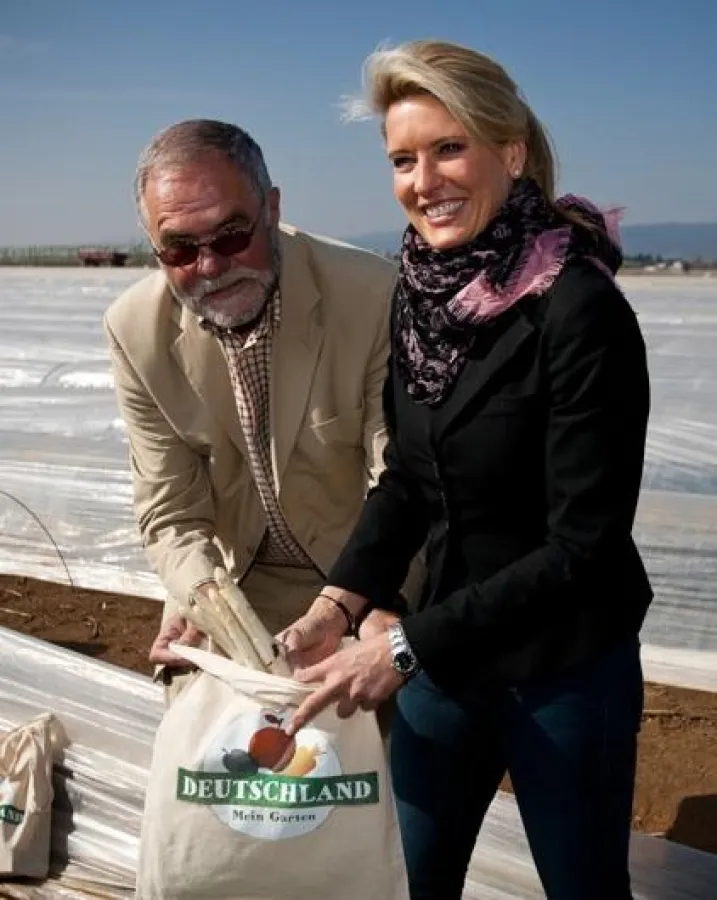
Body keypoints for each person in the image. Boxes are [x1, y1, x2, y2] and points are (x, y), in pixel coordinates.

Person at [278, 41, 652, 900]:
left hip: (563, 667)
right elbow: (409, 479)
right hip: (448, 656)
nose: (423, 181)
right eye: (402, 160)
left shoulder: (579, 309)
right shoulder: (421, 296)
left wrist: (404, 646)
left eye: (449, 149)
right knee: (411, 875)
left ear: (510, 152)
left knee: (581, 884)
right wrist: (337, 605)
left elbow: (583, 543)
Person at [105, 118, 420, 699]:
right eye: (178, 248)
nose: (209, 267)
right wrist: (204, 601)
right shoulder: (134, 330)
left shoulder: (372, 294)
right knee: (207, 761)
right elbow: (171, 510)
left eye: (230, 235)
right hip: (238, 582)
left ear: (271, 208)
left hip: (367, 575)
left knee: (373, 766)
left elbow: (398, 479)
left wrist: (375, 605)